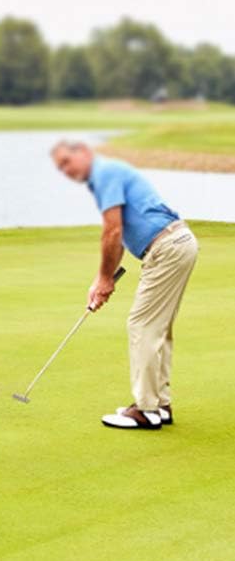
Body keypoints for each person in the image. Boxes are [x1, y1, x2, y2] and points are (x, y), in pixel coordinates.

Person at [50, 141, 198, 430]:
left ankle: (145, 409)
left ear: (84, 153)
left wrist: (105, 278)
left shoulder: (104, 173)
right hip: (178, 242)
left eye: (67, 161)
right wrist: (102, 279)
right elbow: (118, 237)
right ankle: (160, 405)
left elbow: (112, 230)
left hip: (167, 246)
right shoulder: (108, 174)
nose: (66, 170)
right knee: (158, 328)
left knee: (141, 325)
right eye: (60, 167)